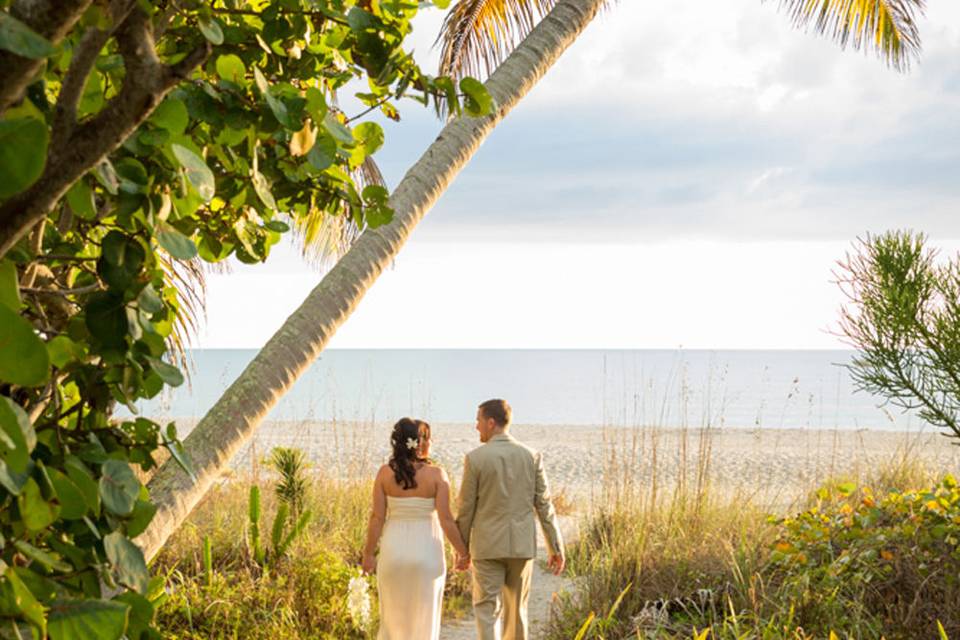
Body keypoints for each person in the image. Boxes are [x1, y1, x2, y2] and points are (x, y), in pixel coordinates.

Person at [456, 398, 565, 640]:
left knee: (486, 610)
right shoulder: (532, 456)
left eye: (478, 421)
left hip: (487, 546)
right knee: (517, 611)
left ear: (491, 422)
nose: (476, 427)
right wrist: (555, 547)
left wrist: (461, 550)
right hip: (521, 545)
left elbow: (465, 508)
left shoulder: (475, 459)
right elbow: (545, 506)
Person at [361, 417, 469, 640]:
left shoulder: (384, 473)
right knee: (425, 620)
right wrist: (463, 552)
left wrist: (368, 554)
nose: (431, 443)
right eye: (428, 438)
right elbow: (446, 519)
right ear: (420, 443)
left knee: (393, 620)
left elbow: (376, 518)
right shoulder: (437, 475)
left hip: (393, 554)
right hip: (427, 554)